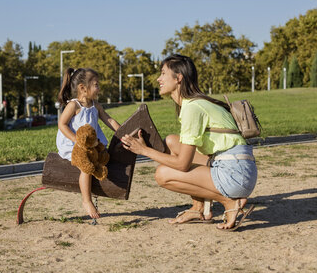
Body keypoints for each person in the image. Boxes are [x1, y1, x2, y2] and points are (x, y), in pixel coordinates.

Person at [121, 55, 257, 231]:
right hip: (239, 167)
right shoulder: (195, 103)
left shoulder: (192, 108)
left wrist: (143, 150)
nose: (158, 79)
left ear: (178, 78)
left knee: (162, 174)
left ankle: (230, 202)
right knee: (171, 141)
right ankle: (199, 209)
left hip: (235, 174)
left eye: (163, 74)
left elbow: (182, 164)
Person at [57, 67, 120, 219]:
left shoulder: (95, 105)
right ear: (83, 88)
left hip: (91, 144)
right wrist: (76, 140)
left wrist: (122, 131)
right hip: (74, 146)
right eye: (96, 84)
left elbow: (108, 119)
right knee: (86, 167)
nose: (99, 88)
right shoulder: (74, 105)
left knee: (104, 157)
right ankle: (86, 201)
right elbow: (62, 124)